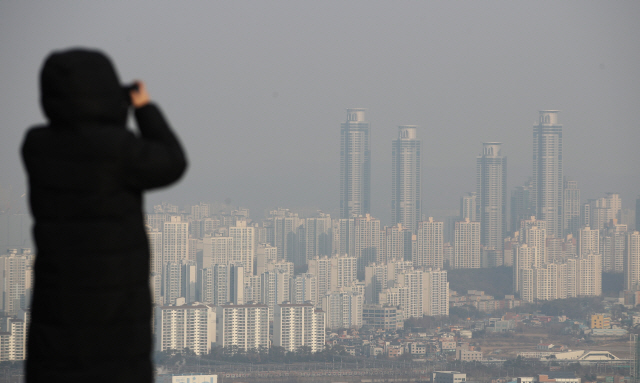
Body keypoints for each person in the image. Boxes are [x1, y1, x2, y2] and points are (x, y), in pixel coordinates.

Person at [21, 48, 187, 382]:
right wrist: (143, 109)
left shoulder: (36, 146)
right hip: (115, 320)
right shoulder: (119, 150)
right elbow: (172, 161)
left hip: (58, 312)